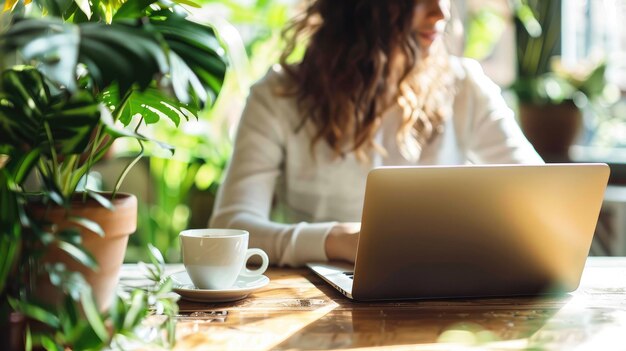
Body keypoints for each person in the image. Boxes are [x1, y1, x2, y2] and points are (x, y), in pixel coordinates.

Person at [210, 0, 544, 267]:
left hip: (444, 296)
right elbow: (228, 229)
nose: (440, 11)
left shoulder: (465, 85)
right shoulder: (278, 96)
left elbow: (544, 197)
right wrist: (338, 240)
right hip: (316, 301)